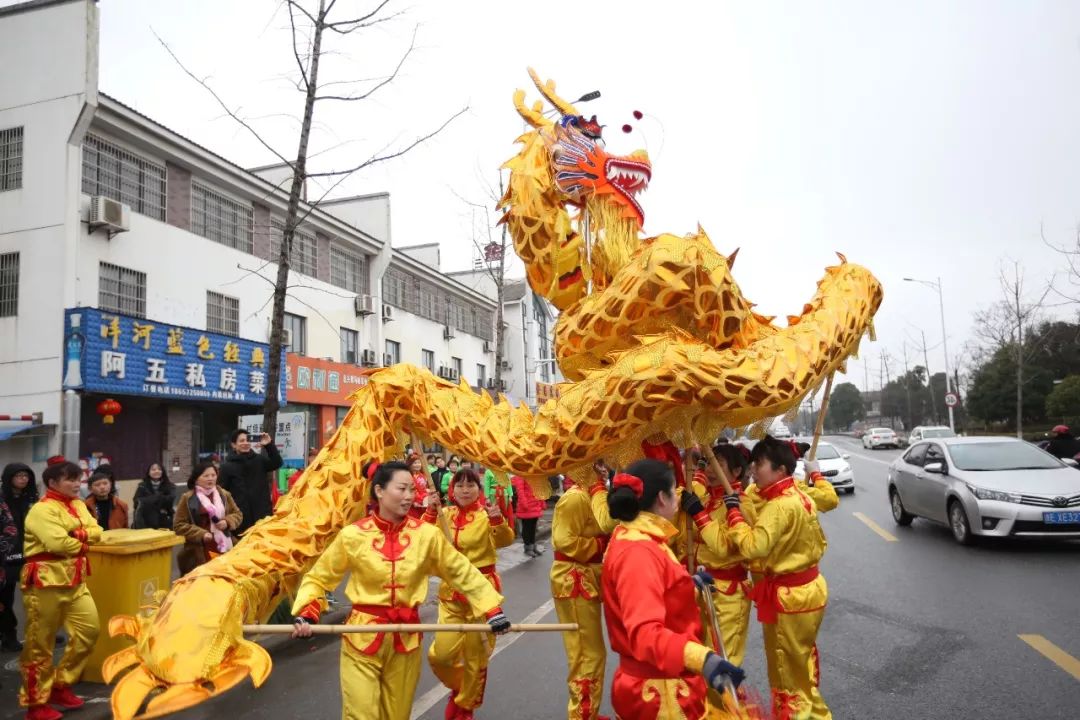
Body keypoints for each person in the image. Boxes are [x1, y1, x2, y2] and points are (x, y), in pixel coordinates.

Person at [290, 461, 513, 720]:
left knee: (397, 715)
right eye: (401, 489)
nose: (409, 496)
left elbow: (460, 571)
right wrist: (308, 611)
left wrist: (491, 609)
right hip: (362, 636)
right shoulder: (353, 535)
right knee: (360, 714)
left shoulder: (426, 535)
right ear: (380, 491)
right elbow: (319, 577)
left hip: (406, 640)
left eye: (411, 489)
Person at [601, 458, 744, 720]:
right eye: (674, 491)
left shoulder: (639, 536)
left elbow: (656, 592)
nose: (678, 500)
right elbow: (645, 634)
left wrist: (689, 587)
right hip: (659, 695)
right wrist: (704, 659)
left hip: (664, 683)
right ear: (662, 498)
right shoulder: (638, 551)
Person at [725, 436, 831, 720]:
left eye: (759, 464)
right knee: (801, 664)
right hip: (809, 589)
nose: (753, 470)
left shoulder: (779, 505)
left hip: (790, 596)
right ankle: (814, 714)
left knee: (786, 673)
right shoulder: (801, 495)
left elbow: (752, 546)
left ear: (780, 470)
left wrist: (734, 515)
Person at [425, 469, 515, 719]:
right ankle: (459, 686)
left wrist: (498, 521)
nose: (465, 490)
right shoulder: (445, 515)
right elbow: (419, 538)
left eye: (470, 485)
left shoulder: (486, 516)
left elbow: (506, 541)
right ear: (451, 490)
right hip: (451, 594)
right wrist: (431, 511)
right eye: (460, 485)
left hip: (482, 596)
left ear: (479, 489)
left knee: (477, 658)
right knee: (442, 654)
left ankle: (464, 708)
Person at [18, 461, 102, 720]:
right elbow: (57, 543)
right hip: (45, 584)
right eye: (71, 479)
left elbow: (98, 531)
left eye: (79, 479)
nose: (77, 484)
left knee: (89, 631)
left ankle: (60, 683)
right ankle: (35, 703)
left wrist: (77, 534)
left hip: (76, 581)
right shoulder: (41, 511)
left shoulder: (78, 505)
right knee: (39, 645)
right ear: (53, 483)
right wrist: (83, 538)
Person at [678, 444, 755, 669]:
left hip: (728, 594)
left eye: (718, 464)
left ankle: (726, 705)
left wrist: (699, 515)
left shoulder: (741, 504)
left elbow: (723, 547)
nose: (710, 469)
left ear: (736, 472)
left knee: (722, 662)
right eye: (708, 462)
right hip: (700, 589)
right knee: (700, 661)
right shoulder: (704, 499)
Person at [550, 471, 610, 720]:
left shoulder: (594, 495)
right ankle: (582, 714)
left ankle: (588, 711)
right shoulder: (575, 498)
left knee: (591, 653)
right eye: (597, 465)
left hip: (585, 577)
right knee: (587, 655)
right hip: (574, 580)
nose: (604, 470)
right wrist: (599, 545)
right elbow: (563, 540)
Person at [173, 462, 243, 576]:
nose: (210, 479)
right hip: (198, 552)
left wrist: (227, 522)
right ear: (196, 479)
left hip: (225, 547)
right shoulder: (188, 498)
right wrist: (201, 534)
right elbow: (178, 525)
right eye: (206, 476)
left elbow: (238, 514)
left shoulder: (224, 494)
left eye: (213, 475)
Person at [2, 463, 38, 652]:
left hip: (30, 551)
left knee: (35, 596)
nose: (23, 479)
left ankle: (40, 632)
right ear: (9, 478)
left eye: (26, 475)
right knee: (6, 598)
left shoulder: (32, 498)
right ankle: (9, 634)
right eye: (19, 476)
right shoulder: (2, 499)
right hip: (7, 554)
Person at [218, 429, 282, 535]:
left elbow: (277, 463)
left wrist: (269, 445)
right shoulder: (226, 467)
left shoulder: (259, 460)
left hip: (263, 515)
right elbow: (222, 493)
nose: (245, 443)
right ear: (234, 445)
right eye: (241, 441)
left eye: (247, 440)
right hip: (241, 519)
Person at [132, 462, 176, 530]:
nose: (156, 471)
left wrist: (147, 501)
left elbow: (170, 501)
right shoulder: (142, 486)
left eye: (159, 469)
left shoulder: (170, 486)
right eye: (153, 469)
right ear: (149, 472)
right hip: (146, 523)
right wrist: (158, 498)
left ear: (162, 471)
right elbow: (136, 502)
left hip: (165, 522)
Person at [512, 474, 546, 557]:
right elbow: (520, 491)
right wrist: (524, 504)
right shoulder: (521, 474)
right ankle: (528, 548)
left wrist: (542, 502)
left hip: (535, 504)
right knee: (527, 527)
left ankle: (533, 546)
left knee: (533, 527)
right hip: (527, 506)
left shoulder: (533, 474)